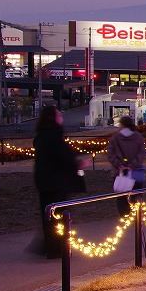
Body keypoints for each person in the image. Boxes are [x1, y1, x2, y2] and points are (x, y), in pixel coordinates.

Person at [33, 106, 91, 258]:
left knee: (50, 217)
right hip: (56, 185)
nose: (62, 117)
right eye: (59, 115)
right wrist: (79, 164)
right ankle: (58, 249)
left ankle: (51, 246)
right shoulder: (53, 137)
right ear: (52, 118)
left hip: (45, 184)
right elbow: (64, 158)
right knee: (59, 217)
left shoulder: (41, 137)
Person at [107, 115, 146, 217]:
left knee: (121, 197)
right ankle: (137, 216)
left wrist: (119, 164)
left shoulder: (115, 138)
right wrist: (132, 165)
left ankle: (124, 216)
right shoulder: (138, 137)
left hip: (119, 172)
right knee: (137, 194)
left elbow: (110, 154)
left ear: (122, 125)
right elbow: (142, 153)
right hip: (136, 171)